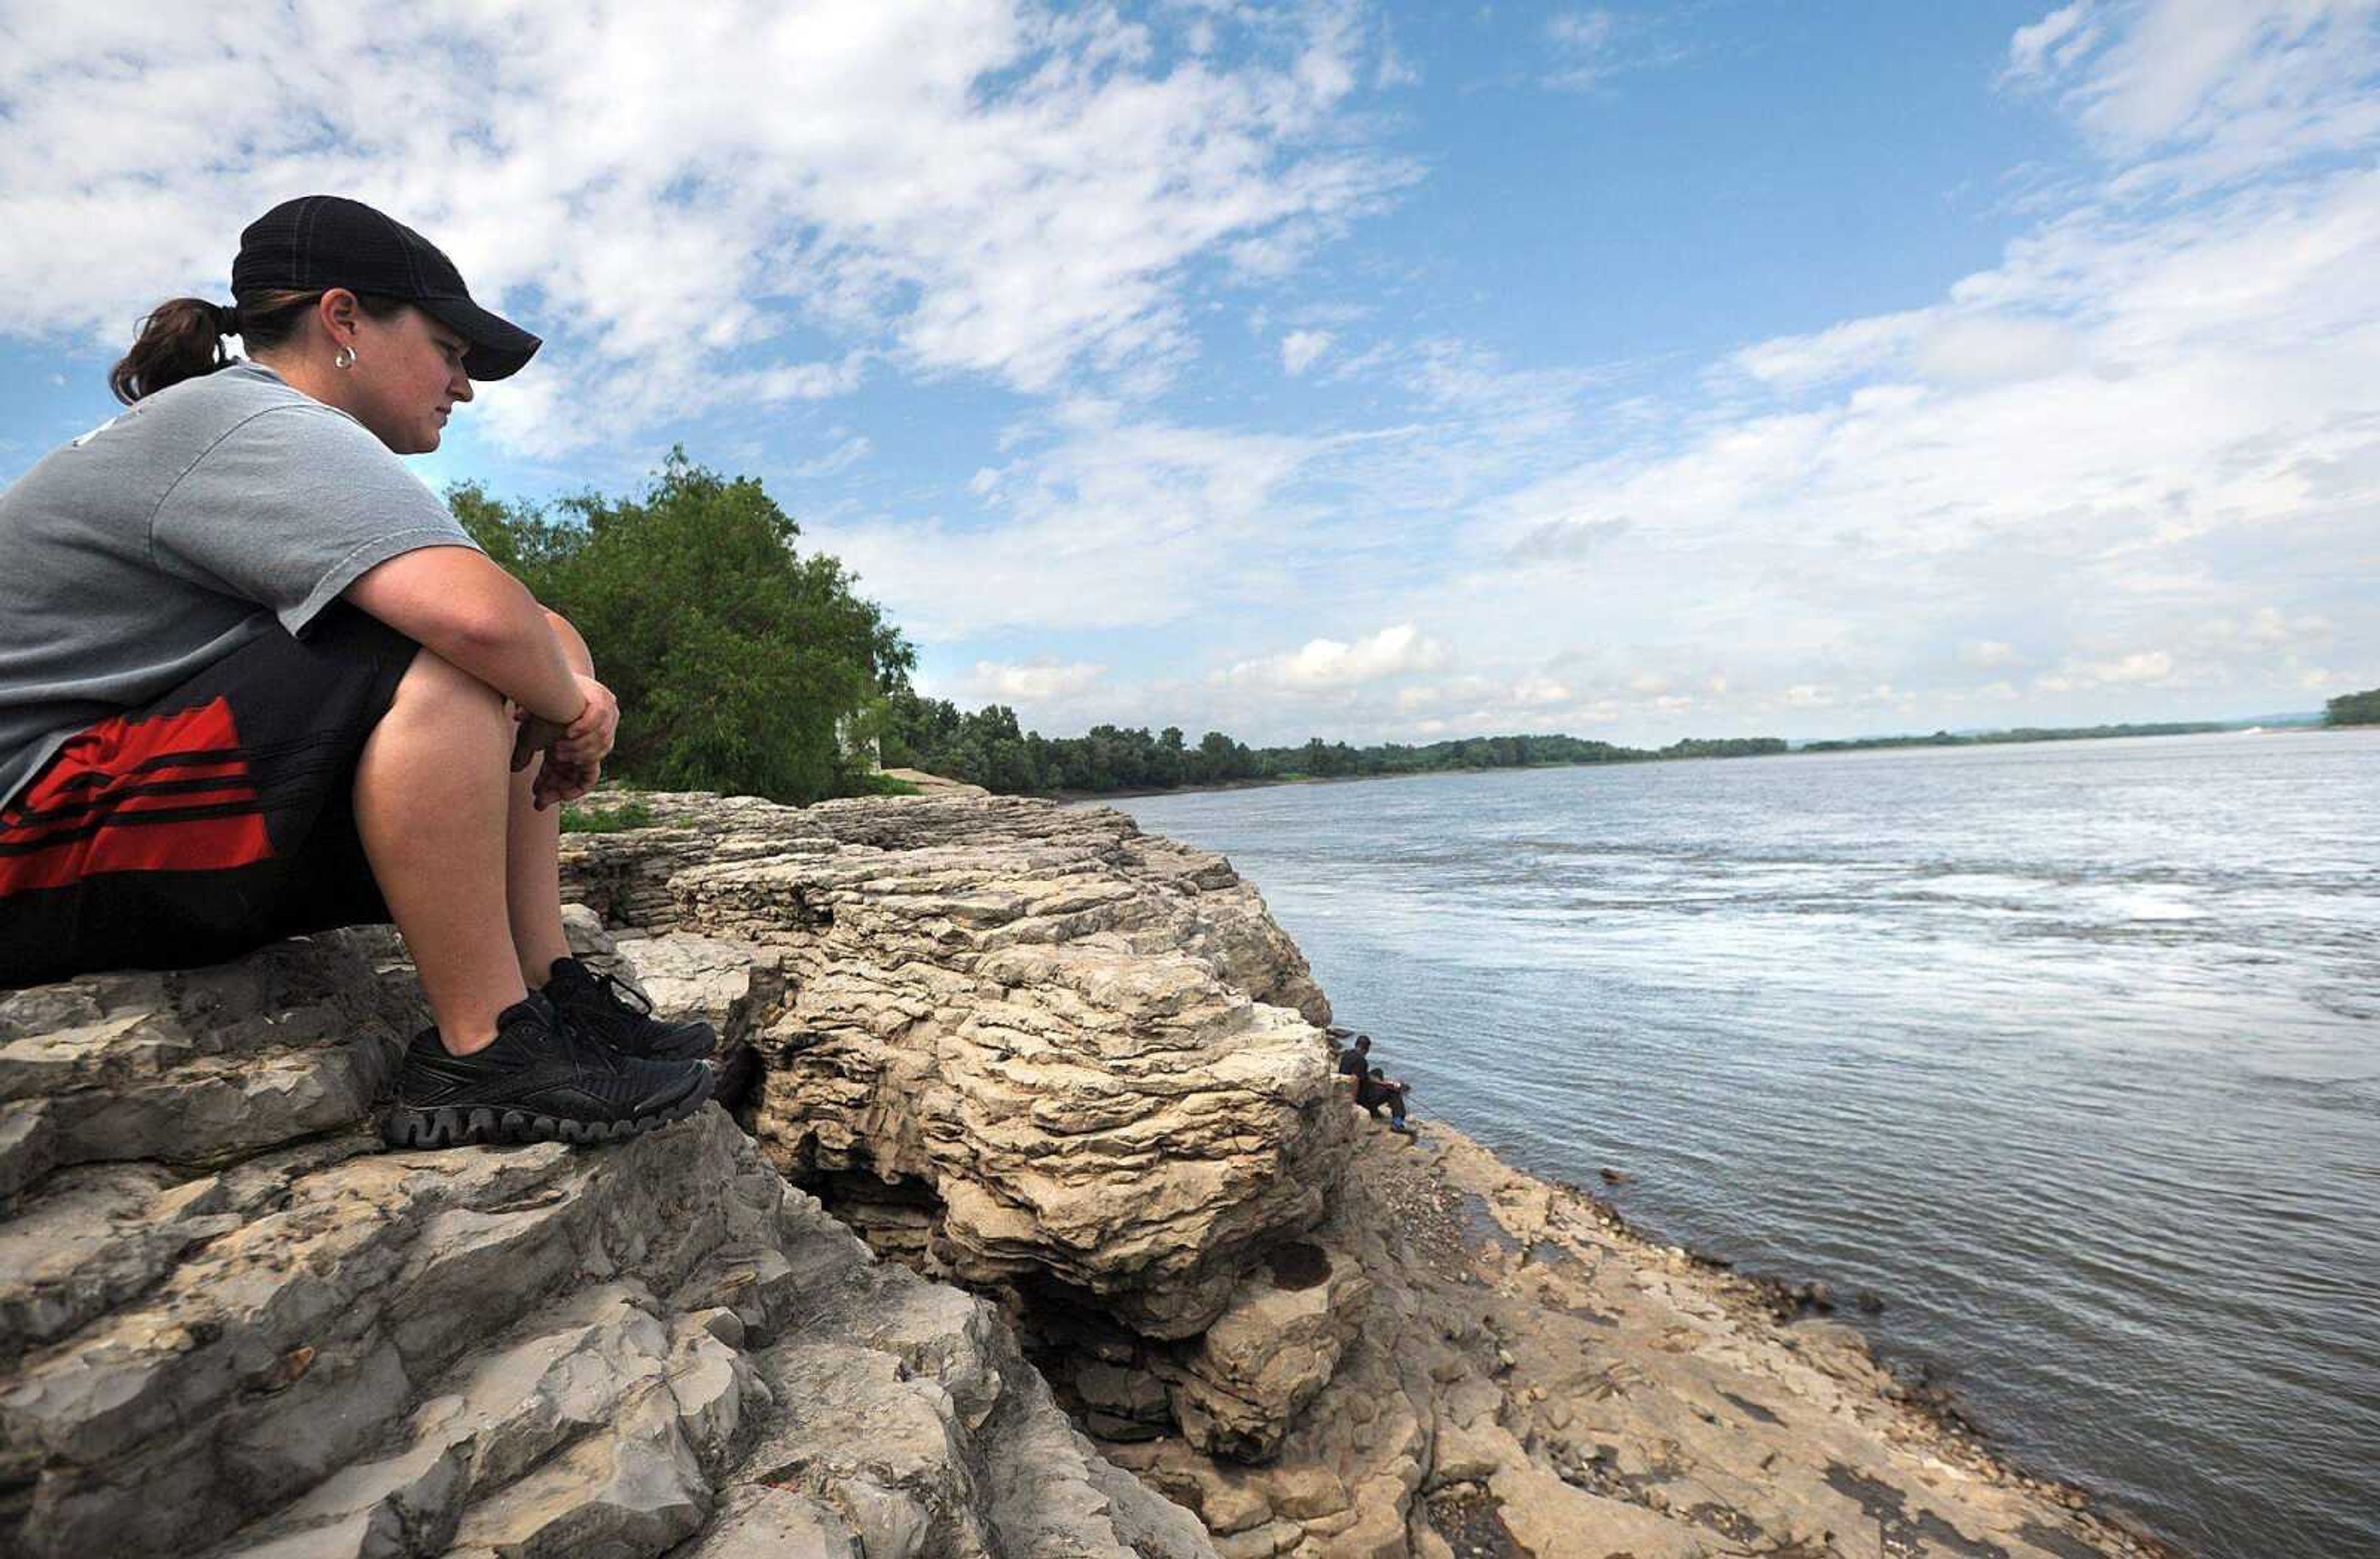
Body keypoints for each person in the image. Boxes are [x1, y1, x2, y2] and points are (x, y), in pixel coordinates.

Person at [0, 195, 716, 1149]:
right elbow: (474, 619)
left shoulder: (250, 429)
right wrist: (577, 714)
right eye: (450, 349)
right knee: (459, 650)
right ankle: (485, 1045)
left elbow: (520, 625)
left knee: (540, 635)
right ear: (343, 321)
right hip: (28, 843)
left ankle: (549, 994)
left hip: (89, 827)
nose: (464, 385)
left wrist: (559, 682)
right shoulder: (244, 419)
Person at [1334, 1033, 1415, 1134]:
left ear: (1356, 1045)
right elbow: (1355, 1079)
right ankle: (1397, 1124)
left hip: (1351, 1089)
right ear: (1367, 1049)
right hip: (1361, 1098)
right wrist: (1353, 1103)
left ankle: (1375, 1111)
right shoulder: (1361, 1061)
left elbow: (1364, 1075)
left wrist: (1383, 1083)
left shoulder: (1347, 1054)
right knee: (1393, 1092)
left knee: (1378, 1072)